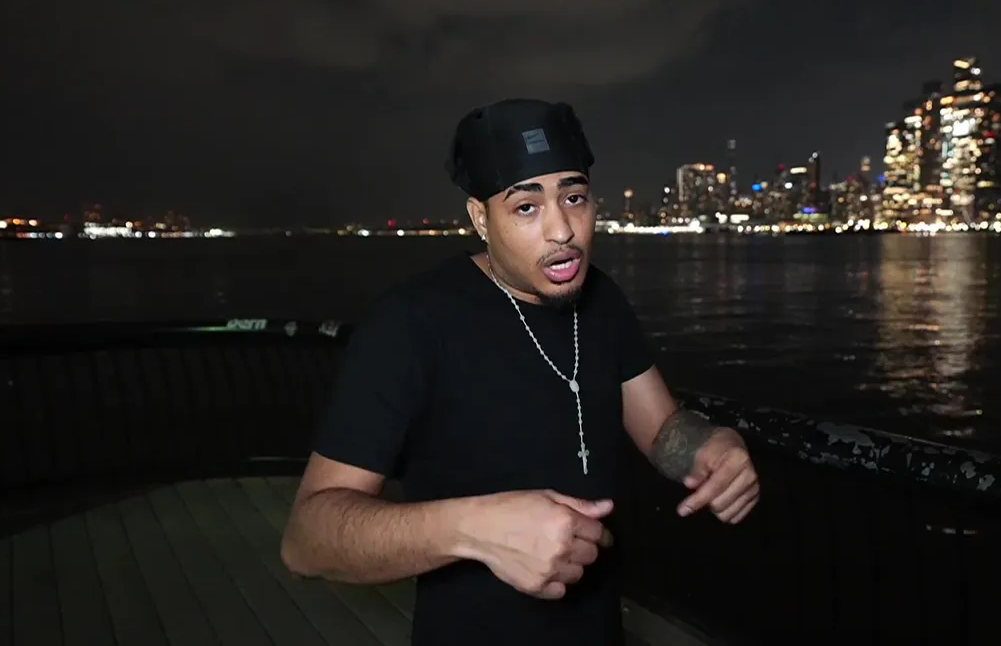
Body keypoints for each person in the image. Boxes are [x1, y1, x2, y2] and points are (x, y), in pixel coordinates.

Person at [279, 98, 760, 645]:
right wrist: (475, 529)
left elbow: (662, 428)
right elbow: (307, 541)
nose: (563, 230)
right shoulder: (410, 325)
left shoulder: (602, 299)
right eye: (526, 207)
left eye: (574, 198)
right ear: (480, 218)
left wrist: (709, 446)